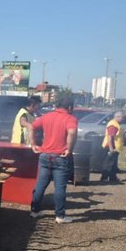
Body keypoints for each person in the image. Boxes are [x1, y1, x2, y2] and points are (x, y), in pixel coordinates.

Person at [27, 96, 78, 224]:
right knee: (60, 187)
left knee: (40, 185)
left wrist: (33, 144)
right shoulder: (70, 118)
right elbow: (72, 132)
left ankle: (34, 211)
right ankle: (60, 216)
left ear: (57, 106)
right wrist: (69, 149)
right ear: (70, 107)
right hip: (60, 157)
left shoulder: (46, 116)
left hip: (44, 155)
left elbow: (31, 127)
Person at [100, 111, 124, 183]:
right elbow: (110, 137)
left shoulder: (117, 124)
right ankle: (104, 177)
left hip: (116, 147)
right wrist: (111, 148)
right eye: (122, 117)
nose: (123, 119)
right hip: (111, 147)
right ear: (117, 117)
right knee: (108, 163)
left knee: (113, 164)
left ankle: (113, 177)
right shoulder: (113, 125)